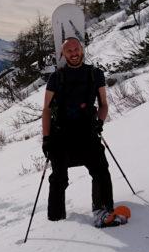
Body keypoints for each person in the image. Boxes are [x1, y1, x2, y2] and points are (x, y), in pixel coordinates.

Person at [41, 37, 114, 224]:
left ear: (82, 49)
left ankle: (104, 211)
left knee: (101, 171)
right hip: (61, 136)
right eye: (69, 51)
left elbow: (104, 104)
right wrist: (46, 138)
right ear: (63, 54)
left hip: (87, 132)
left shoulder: (95, 74)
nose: (74, 54)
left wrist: (100, 122)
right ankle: (56, 220)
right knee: (58, 178)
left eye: (76, 49)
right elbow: (47, 109)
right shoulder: (56, 78)